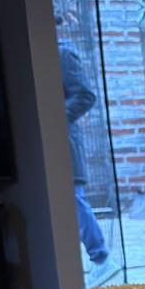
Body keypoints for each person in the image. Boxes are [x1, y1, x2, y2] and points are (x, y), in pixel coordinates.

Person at [57, 38, 109, 267]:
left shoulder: (62, 54)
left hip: (63, 139)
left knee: (74, 197)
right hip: (41, 141)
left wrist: (56, 117)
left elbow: (85, 95)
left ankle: (100, 257)